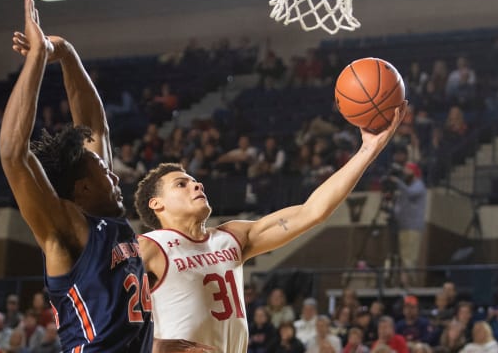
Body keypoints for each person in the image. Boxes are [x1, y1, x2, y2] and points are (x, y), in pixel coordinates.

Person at [135, 99, 406, 352]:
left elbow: (312, 211)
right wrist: (155, 345)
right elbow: (104, 317)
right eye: (181, 184)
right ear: (157, 204)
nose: (196, 184)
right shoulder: (148, 247)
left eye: (194, 180)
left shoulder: (232, 237)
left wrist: (369, 150)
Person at [0, 0, 151, 352]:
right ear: (81, 188)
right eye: (104, 172)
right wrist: (36, 59)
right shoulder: (67, 228)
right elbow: (11, 153)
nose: (114, 176)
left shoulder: (108, 220)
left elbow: (95, 128)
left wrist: (65, 52)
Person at [389, 163, 427, 286]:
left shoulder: (418, 185)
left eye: (407, 170)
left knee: (410, 256)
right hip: (403, 225)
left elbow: (410, 193)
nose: (405, 173)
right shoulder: (406, 186)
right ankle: (403, 280)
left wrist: (398, 182)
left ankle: (410, 282)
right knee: (404, 255)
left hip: (413, 227)